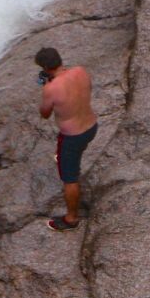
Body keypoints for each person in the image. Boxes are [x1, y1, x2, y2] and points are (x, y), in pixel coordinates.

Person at [35, 46, 97, 232]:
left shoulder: (51, 88)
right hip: (91, 127)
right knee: (69, 149)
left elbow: (45, 113)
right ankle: (63, 157)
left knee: (69, 178)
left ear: (45, 68)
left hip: (73, 137)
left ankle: (71, 219)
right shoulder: (80, 71)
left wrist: (47, 88)